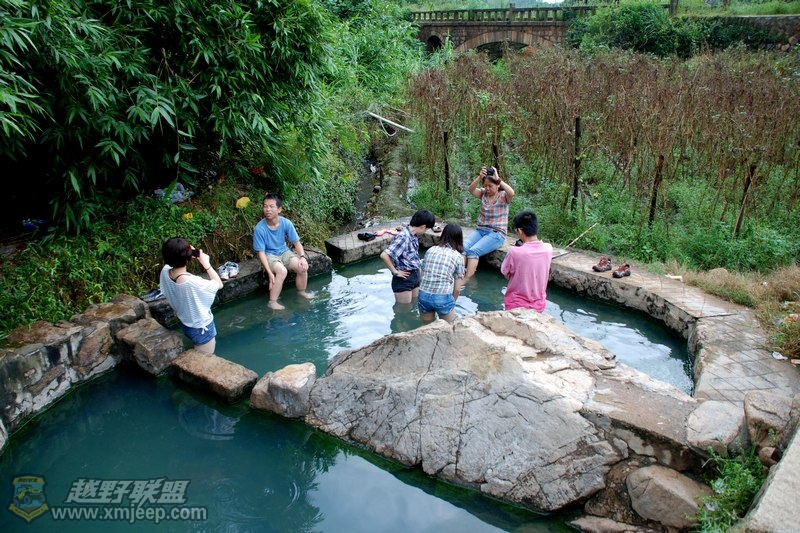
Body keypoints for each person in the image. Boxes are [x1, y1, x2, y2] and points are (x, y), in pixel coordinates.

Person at [159, 237, 224, 353]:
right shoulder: (191, 282)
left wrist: (185, 253)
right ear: (188, 257)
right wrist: (206, 264)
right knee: (205, 361)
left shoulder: (165, 271)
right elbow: (219, 284)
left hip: (186, 323)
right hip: (201, 328)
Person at [254, 192, 312, 310]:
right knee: (282, 271)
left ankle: (301, 292)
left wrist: (302, 257)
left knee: (302, 267)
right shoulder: (260, 228)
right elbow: (261, 253)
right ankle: (272, 302)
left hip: (284, 252)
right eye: (265, 206)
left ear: (279, 209)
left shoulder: (286, 223)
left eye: (271, 206)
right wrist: (269, 272)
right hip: (269, 255)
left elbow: (296, 243)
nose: (267, 209)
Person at [464, 165, 515, 282]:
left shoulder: (503, 196)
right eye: (485, 185)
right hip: (480, 230)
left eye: (490, 186)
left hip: (496, 234)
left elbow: (512, 193)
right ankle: (459, 274)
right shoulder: (483, 194)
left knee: (473, 251)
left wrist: (498, 179)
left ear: (497, 186)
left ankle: (467, 280)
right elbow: (471, 190)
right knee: (464, 247)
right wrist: (479, 177)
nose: (487, 188)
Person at [379, 209, 436, 303]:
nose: (425, 231)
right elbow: (384, 255)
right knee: (404, 309)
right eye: (427, 229)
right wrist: (395, 272)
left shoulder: (413, 235)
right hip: (404, 279)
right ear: (423, 226)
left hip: (414, 275)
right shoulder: (404, 237)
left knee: (414, 305)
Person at [500, 210, 553, 312]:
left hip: (515, 305)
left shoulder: (514, 252)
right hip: (539, 306)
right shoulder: (548, 249)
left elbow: (505, 273)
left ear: (520, 230)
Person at [418, 223, 466, 323]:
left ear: (443, 234)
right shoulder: (458, 257)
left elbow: (421, 278)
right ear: (459, 238)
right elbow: (457, 289)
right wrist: (451, 303)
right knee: (449, 327)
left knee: (427, 328)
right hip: (442, 297)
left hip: (424, 295)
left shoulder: (430, 250)